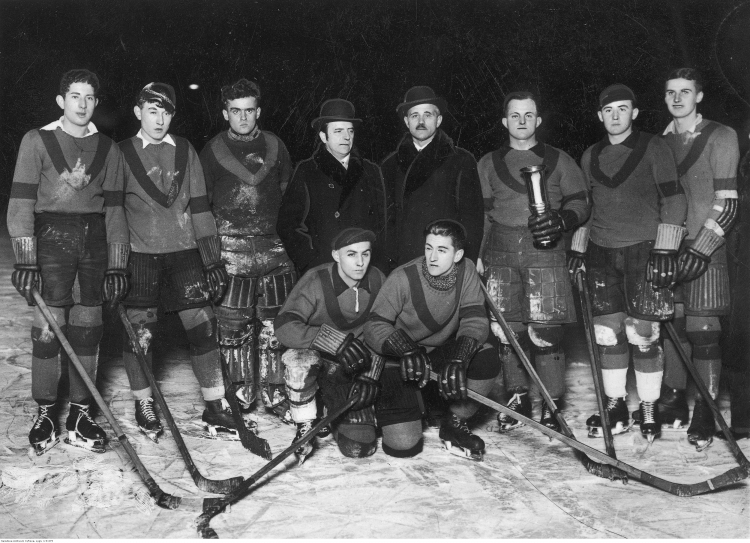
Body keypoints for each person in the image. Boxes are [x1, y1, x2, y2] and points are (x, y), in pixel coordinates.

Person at [7, 69, 129, 455]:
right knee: (48, 328)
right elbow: (21, 204)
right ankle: (45, 412)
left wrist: (117, 264)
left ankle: (79, 414)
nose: (82, 104)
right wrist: (26, 259)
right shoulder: (36, 140)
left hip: (93, 242)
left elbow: (115, 212)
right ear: (61, 101)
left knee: (89, 326)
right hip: (50, 240)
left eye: (90, 97)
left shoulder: (109, 148)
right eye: (75, 96)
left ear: (96, 103)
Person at [569, 84, 688, 442]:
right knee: (608, 334)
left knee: (644, 334)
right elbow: (585, 208)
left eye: (623, 109)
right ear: (600, 115)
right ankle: (615, 404)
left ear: (634, 113)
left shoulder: (654, 147)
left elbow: (675, 199)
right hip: (602, 251)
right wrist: (578, 248)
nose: (616, 115)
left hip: (644, 250)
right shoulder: (589, 155)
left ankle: (648, 407)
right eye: (609, 110)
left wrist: (666, 248)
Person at [119, 82, 234, 441]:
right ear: (138, 112)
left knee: (203, 328)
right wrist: (115, 262)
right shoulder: (120, 152)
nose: (159, 118)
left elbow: (200, 207)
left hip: (184, 253)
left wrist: (212, 259)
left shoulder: (185, 150)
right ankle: (143, 403)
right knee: (142, 334)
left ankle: (215, 405)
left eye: (166, 111)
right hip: (140, 256)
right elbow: (113, 213)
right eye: (152, 110)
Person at [477, 91, 590, 432]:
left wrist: (561, 220)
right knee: (507, 329)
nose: (522, 121)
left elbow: (581, 203)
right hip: (500, 252)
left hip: (545, 251)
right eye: (515, 115)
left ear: (538, 120)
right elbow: (481, 216)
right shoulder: (487, 163)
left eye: (529, 115)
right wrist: (477, 258)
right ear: (504, 121)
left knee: (546, 330)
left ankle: (552, 402)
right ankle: (517, 397)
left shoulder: (559, 159)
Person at [200, 78, 297, 427]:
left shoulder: (275, 145)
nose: (243, 118)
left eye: (250, 110)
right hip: (230, 247)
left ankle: (276, 392)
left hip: (272, 247)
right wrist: (212, 256)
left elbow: (286, 193)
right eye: (236, 111)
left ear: (259, 111)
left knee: (275, 323)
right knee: (233, 327)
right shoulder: (211, 150)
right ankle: (237, 395)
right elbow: (202, 206)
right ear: (225, 112)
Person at [364, 219, 498, 460]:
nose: (432, 257)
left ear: (457, 255)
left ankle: (454, 423)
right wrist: (404, 349)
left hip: (435, 356)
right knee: (403, 445)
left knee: (486, 355)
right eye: (428, 248)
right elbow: (374, 326)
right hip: (400, 362)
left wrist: (461, 356)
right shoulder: (402, 277)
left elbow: (475, 319)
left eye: (442, 250)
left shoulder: (466, 270)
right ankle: (400, 407)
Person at [656, 68, 740, 451]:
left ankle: (706, 410)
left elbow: (727, 205)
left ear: (699, 96)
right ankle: (673, 397)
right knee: (671, 325)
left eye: (685, 92)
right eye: (671, 92)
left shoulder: (721, 136)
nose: (677, 99)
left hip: (706, 245)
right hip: (669, 245)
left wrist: (702, 247)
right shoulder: (658, 142)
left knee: (703, 332)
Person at [275, 228, 386, 461]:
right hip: (319, 359)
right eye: (351, 254)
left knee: (360, 447)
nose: (360, 263)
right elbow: (284, 325)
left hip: (353, 365)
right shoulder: (316, 280)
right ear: (336, 255)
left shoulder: (377, 279)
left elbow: (386, 330)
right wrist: (333, 341)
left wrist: (372, 374)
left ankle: (328, 407)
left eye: (365, 254)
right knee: (300, 360)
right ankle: (305, 422)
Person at [277, 99, 388, 274]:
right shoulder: (307, 171)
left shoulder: (371, 171)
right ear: (323, 137)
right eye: (338, 131)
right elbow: (288, 224)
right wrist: (312, 264)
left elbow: (381, 225)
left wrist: (376, 268)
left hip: (363, 268)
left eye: (350, 131)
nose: (346, 137)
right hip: (325, 270)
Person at [380, 86, 484, 271]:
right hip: (403, 262)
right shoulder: (389, 165)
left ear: (439, 120)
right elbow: (386, 223)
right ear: (406, 121)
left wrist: (468, 261)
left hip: (446, 262)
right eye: (414, 116)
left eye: (427, 115)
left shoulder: (461, 160)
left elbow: (472, 219)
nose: (421, 121)